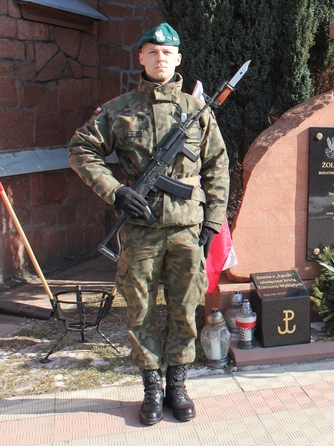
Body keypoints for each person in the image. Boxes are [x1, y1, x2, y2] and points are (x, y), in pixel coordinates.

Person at [69, 22, 230, 425]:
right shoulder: (119, 109)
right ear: (140, 57)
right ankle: (151, 386)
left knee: (184, 307)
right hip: (141, 232)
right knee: (140, 310)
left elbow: (218, 167)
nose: (161, 58)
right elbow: (81, 148)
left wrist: (211, 223)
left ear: (178, 59)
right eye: (153, 51)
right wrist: (115, 191)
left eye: (168, 52)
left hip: (186, 231)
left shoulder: (198, 113)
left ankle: (178, 383)